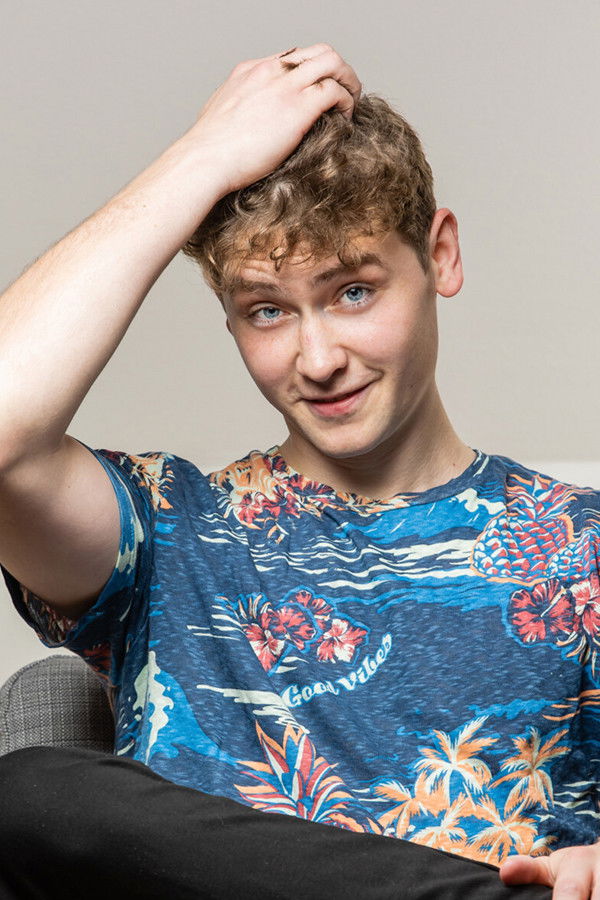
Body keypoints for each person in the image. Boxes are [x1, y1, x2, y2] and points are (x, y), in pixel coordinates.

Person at [0, 42, 596, 899]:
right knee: (32, 792)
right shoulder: (168, 527)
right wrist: (201, 158)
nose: (318, 360)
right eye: (268, 310)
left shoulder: (581, 545)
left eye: (354, 291)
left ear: (440, 256)